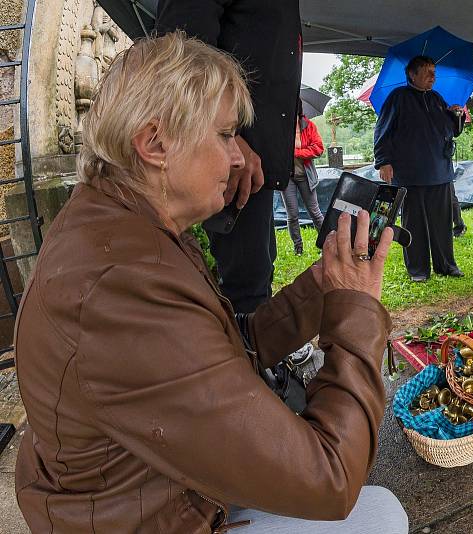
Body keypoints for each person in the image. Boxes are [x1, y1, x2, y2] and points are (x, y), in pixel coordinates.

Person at [14, 34, 407, 534]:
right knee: (381, 516)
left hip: (163, 491)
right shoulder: (124, 286)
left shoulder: (122, 224)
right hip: (159, 516)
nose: (239, 158)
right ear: (155, 144)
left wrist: (325, 286)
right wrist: (354, 315)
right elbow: (331, 480)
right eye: (224, 135)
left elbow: (223, 351)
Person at [157, 0, 302, 313]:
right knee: (245, 288)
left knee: (257, 273)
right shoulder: (230, 150)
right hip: (236, 163)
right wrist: (229, 140)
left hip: (256, 165)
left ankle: (251, 353)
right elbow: (179, 53)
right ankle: (242, 357)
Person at [374, 55, 465, 282]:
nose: (433, 77)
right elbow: (382, 131)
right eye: (427, 72)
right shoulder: (398, 98)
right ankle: (418, 270)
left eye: (434, 72)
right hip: (410, 174)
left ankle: (446, 265)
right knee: (413, 223)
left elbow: (452, 132)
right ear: (412, 74)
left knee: (442, 223)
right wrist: (383, 162)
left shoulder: (436, 98)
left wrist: (456, 116)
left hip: (439, 172)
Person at [283, 103, 326, 255]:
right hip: (287, 179)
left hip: (306, 177)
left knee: (315, 212)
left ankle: (324, 245)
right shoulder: (281, 128)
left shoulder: (309, 126)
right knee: (292, 215)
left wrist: (297, 153)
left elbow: (319, 148)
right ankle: (298, 248)